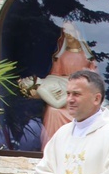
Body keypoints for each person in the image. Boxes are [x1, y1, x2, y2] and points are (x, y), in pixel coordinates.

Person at [40, 21, 98, 149]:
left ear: (78, 33)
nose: (69, 35)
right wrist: (59, 85)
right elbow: (53, 76)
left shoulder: (87, 57)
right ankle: (53, 148)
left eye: (71, 32)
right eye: (66, 32)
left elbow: (94, 79)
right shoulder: (61, 56)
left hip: (82, 94)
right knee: (53, 111)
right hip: (64, 92)